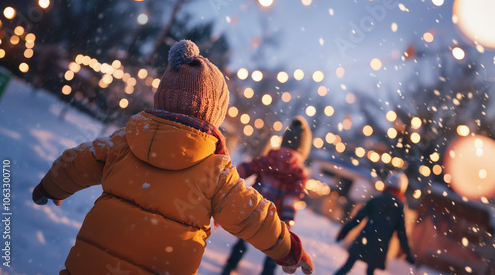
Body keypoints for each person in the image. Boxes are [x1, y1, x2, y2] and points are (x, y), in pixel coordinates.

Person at [32, 40, 314, 275]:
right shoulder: (216, 170)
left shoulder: (125, 139)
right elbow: (253, 215)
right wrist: (288, 249)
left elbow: (79, 160)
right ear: (213, 113)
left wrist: (52, 187)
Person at [221, 116, 312, 275]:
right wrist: (288, 224)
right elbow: (290, 200)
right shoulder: (297, 173)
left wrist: (229, 179)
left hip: (254, 208)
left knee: (244, 237)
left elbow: (246, 169)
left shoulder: (270, 158)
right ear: (303, 150)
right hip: (276, 218)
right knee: (275, 248)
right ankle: (267, 272)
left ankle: (229, 266)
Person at [334, 171, 415, 275]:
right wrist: (407, 252)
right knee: (370, 271)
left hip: (365, 239)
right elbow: (401, 233)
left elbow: (358, 218)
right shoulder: (399, 207)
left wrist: (344, 231)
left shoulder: (377, 199)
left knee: (347, 265)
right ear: (402, 187)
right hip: (380, 246)